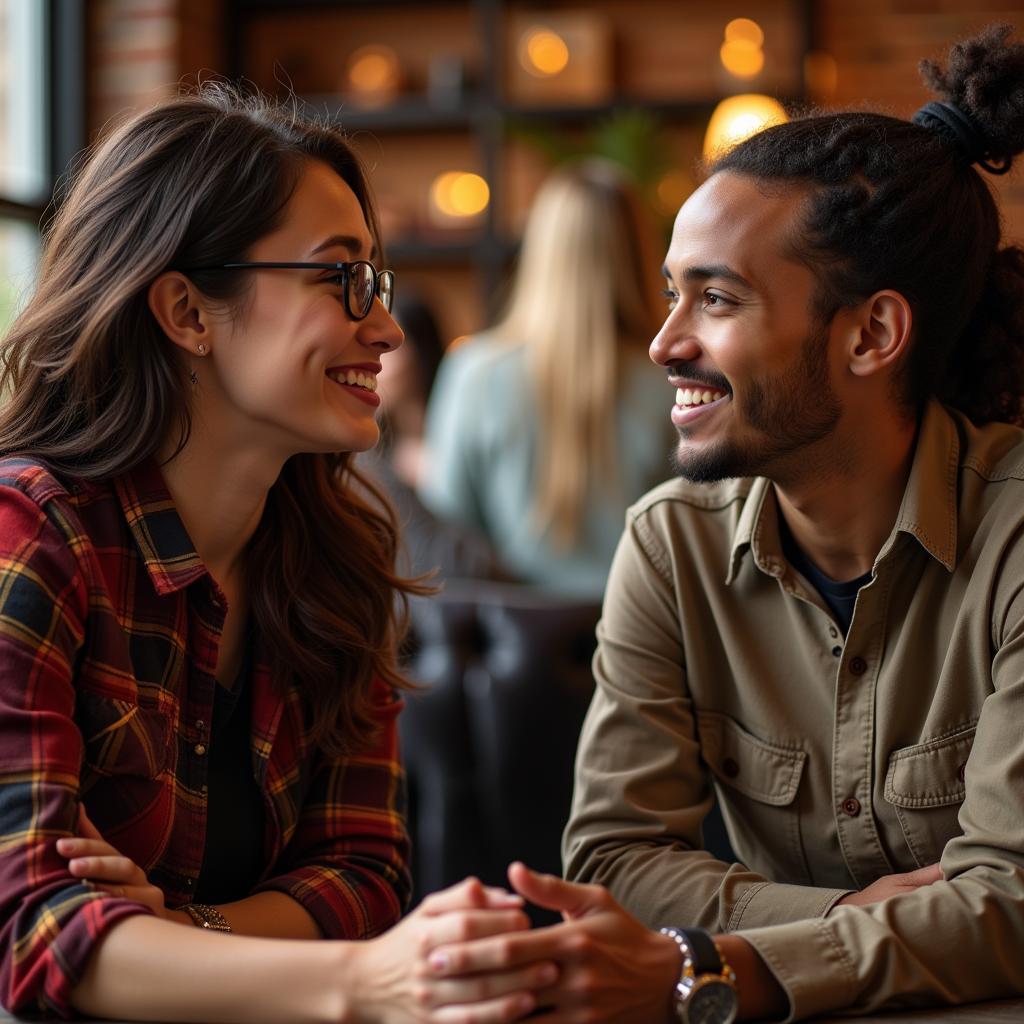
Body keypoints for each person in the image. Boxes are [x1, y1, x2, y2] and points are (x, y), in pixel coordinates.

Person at [414, 24, 1024, 1024]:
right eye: (669, 294)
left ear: (869, 333)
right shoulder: (670, 543)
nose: (664, 342)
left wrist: (717, 966)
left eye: (717, 298)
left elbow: (1006, 901)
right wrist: (854, 920)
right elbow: (614, 857)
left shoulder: (1010, 537)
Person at [0, 85, 558, 1023]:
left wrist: (180, 930)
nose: (384, 329)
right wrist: (364, 982)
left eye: (374, 282)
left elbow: (366, 874)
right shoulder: (29, 536)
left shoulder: (332, 560)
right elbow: (29, 938)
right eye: (341, 280)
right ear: (187, 312)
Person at [419, 159, 673, 598]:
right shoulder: (675, 382)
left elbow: (449, 529)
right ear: (639, 251)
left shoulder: (473, 371)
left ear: (541, 250)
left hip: (512, 641)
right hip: (647, 636)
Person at [360, 291, 509, 581]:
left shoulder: (464, 427)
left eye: (393, 349)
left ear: (421, 349)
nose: (377, 361)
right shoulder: (371, 448)